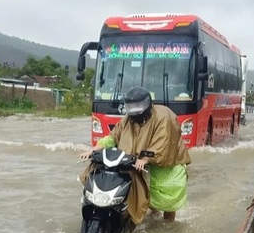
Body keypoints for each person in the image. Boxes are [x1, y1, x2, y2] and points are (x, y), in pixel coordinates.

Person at [78, 86, 191, 222]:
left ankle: (168, 224)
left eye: (138, 106)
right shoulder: (127, 120)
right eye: (131, 107)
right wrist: (95, 149)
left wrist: (147, 158)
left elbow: (164, 141)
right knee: (144, 194)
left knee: (168, 202)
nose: (135, 110)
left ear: (148, 103)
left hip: (166, 167)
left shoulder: (164, 116)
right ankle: (153, 216)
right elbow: (113, 137)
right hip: (140, 163)